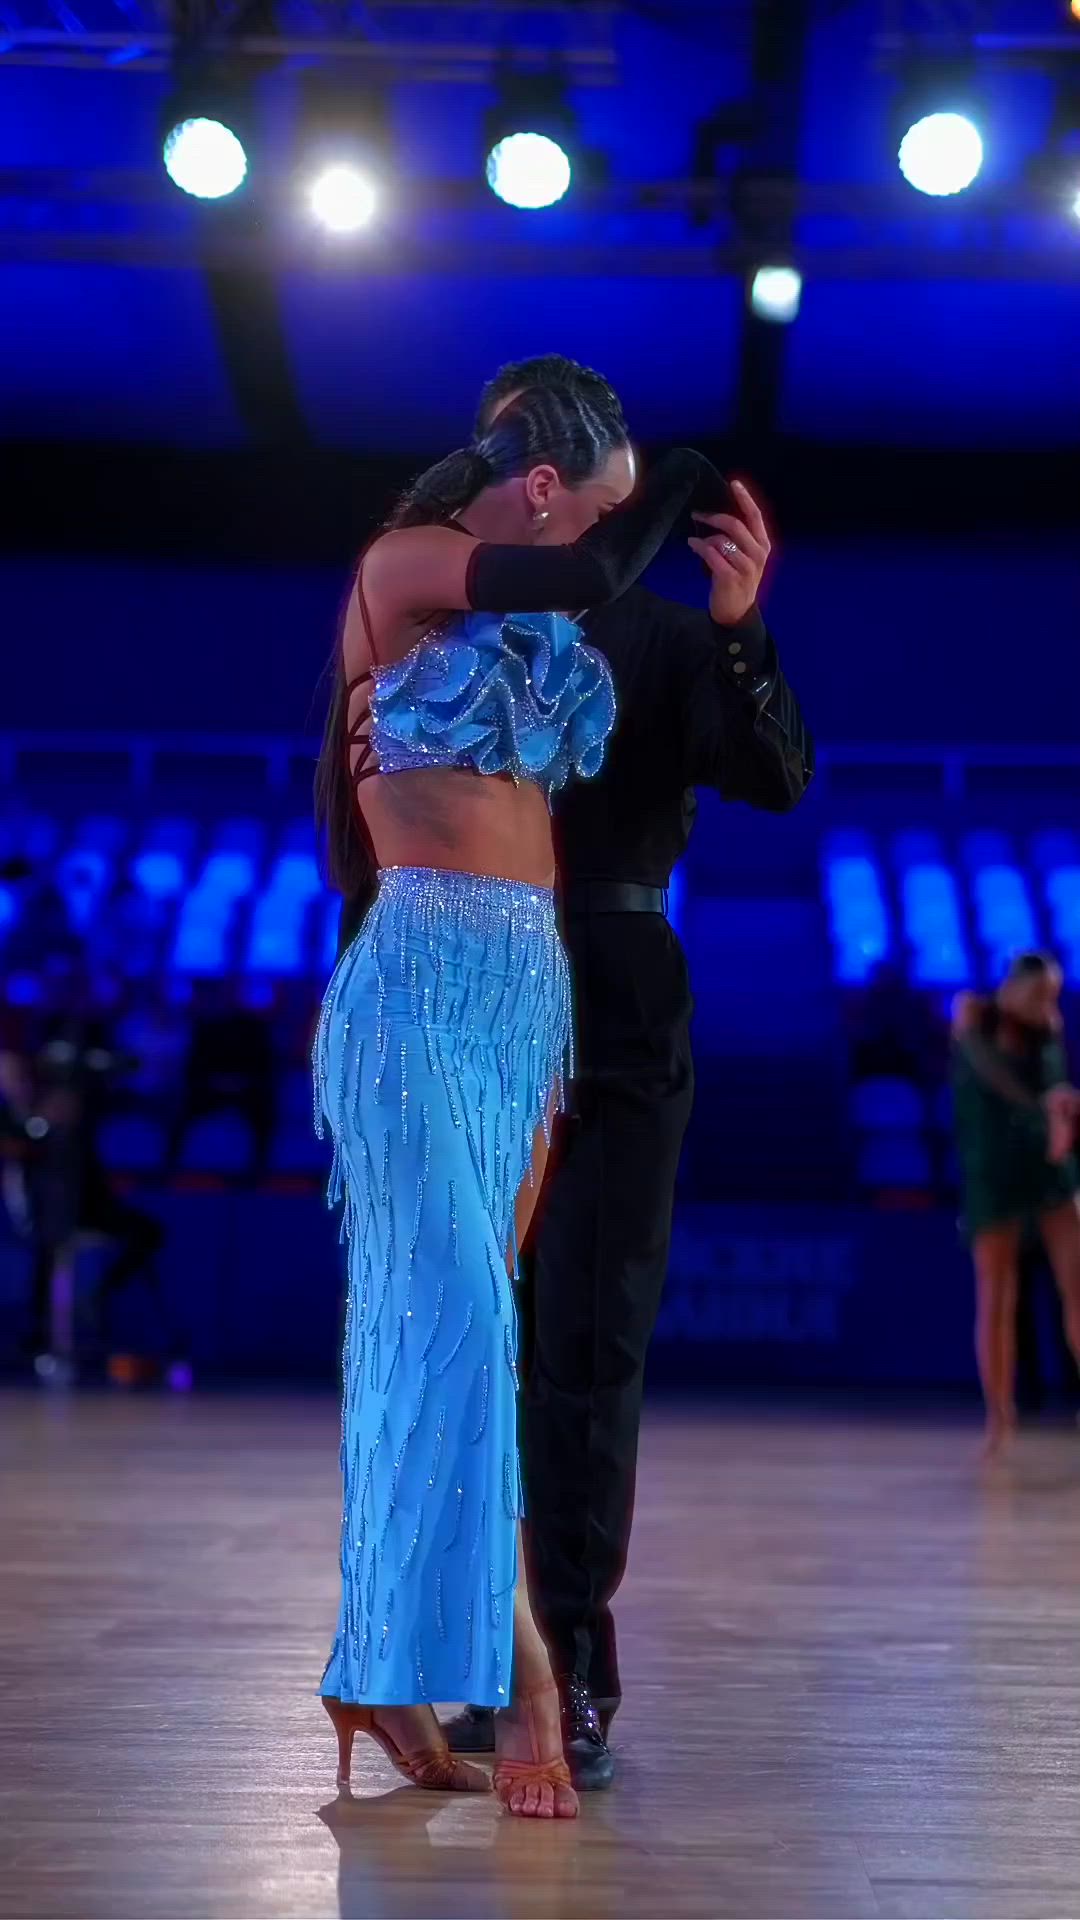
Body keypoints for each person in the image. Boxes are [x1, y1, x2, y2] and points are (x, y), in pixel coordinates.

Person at [312, 383, 731, 1818]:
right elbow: (597, 571)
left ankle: (377, 1665)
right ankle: (529, 1681)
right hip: (419, 984)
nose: (612, 533)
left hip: (522, 999)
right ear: (546, 493)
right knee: (473, 1331)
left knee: (439, 1341)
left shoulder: (535, 630)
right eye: (600, 503)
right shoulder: (407, 563)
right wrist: (672, 474)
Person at [420, 356, 813, 1789]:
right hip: (473, 989)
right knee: (480, 1340)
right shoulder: (454, 620)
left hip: (620, 993)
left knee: (586, 1344)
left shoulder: (655, 634)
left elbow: (776, 777)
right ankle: (485, 1654)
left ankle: (572, 1667)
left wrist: (740, 626)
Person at [952, 952, 1080, 1457]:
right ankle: (999, 1414)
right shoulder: (974, 1021)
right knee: (997, 1293)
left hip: (1048, 1164)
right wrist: (1045, 1104)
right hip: (994, 1163)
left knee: (1077, 1284)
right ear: (1016, 988)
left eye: (1053, 994)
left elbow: (1052, 1092)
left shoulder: (1049, 1030)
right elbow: (1000, 1083)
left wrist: (1065, 1108)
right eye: (1041, 993)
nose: (1049, 1004)